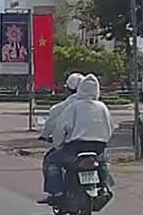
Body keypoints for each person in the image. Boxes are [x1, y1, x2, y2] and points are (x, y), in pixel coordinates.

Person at [40, 74, 115, 202]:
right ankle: (105, 187)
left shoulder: (73, 107)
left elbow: (60, 128)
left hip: (75, 149)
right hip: (98, 149)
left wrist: (58, 144)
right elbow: (110, 128)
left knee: (51, 160)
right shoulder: (102, 107)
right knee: (104, 162)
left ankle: (56, 193)